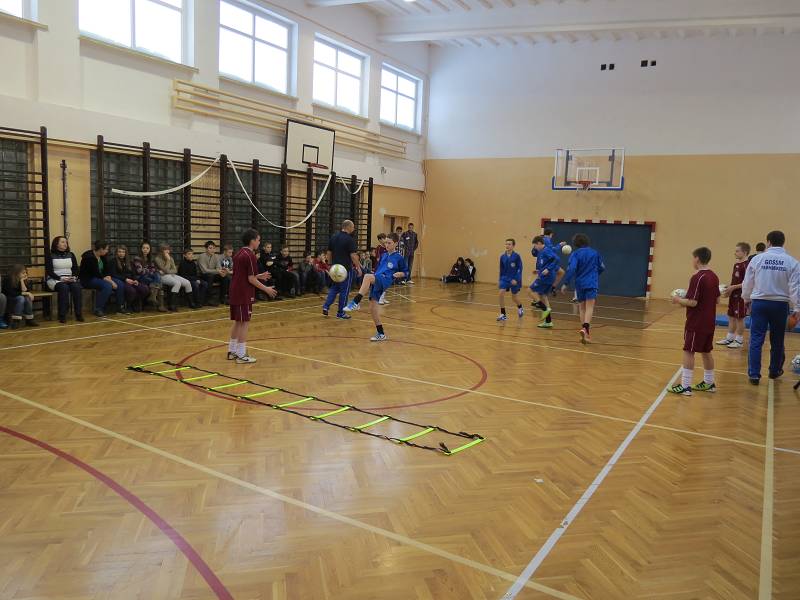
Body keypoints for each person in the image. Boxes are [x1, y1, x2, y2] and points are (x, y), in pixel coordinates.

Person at [742, 230, 800, 384]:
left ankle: (754, 374)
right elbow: (795, 287)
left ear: (768, 242)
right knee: (778, 339)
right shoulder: (792, 262)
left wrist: (746, 299)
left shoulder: (757, 259)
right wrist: (797, 309)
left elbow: (748, 282)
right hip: (780, 305)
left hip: (759, 303)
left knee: (756, 339)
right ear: (783, 242)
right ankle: (774, 371)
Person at [668, 247, 720, 395]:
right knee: (706, 351)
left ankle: (685, 386)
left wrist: (677, 299)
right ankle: (709, 383)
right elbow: (717, 299)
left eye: (693, 258)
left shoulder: (698, 277)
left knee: (689, 351)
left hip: (696, 322)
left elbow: (693, 302)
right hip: (710, 321)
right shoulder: (714, 276)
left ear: (697, 259)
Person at [343, 232, 408, 340]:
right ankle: (381, 334)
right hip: (378, 278)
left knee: (367, 277)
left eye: (389, 243)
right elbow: (379, 269)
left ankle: (355, 302)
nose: (387, 245)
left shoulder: (399, 258)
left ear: (396, 243)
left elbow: (406, 272)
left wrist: (400, 274)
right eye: (386, 243)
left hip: (386, 279)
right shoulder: (384, 255)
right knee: (373, 308)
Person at [227, 229, 277, 364]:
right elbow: (251, 279)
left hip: (235, 291)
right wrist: (266, 289)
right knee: (244, 322)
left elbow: (242, 274)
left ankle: (232, 351)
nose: (259, 242)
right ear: (252, 241)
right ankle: (241, 355)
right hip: (243, 293)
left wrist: (259, 276)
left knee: (238, 321)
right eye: (258, 240)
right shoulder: (250, 255)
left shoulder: (239, 253)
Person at [560, 233, 605, 343]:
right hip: (591, 282)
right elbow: (602, 267)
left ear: (576, 243)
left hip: (579, 283)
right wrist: (595, 274)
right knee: (590, 307)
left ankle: (585, 333)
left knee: (582, 308)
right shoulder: (595, 253)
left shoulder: (575, 254)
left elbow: (572, 269)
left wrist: (566, 283)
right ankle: (585, 329)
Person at [323, 220, 361, 319]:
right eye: (353, 227)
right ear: (348, 227)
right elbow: (353, 256)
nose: (354, 229)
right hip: (345, 270)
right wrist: (358, 268)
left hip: (335, 269)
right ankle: (341, 313)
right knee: (344, 291)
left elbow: (329, 253)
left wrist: (330, 265)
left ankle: (326, 306)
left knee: (334, 288)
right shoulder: (349, 239)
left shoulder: (334, 237)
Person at [717, 242, 751, 349]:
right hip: (734, 295)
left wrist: (733, 287)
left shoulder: (746, 265)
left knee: (740, 318)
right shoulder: (736, 264)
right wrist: (728, 289)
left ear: (744, 252)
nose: (735, 253)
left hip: (741, 296)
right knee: (731, 316)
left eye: (737, 251)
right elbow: (735, 281)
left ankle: (739, 340)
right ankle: (730, 338)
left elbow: (747, 283)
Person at [79, 240, 123, 317]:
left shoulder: (103, 256)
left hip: (101, 277)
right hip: (88, 279)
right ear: (101, 249)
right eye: (106, 249)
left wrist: (108, 276)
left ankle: (120, 306)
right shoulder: (88, 257)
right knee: (107, 286)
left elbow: (106, 269)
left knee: (120, 283)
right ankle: (98, 309)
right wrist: (110, 281)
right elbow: (95, 273)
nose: (107, 251)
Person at [45, 236, 83, 323]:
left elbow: (75, 269)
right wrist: (61, 278)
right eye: (62, 242)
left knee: (77, 287)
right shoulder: (50, 255)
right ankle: (62, 315)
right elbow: (49, 271)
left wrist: (74, 277)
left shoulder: (71, 254)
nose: (65, 244)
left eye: (66, 242)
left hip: (69, 278)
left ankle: (78, 314)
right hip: (55, 279)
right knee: (63, 287)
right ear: (56, 244)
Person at [529, 235, 560, 329]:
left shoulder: (546, 250)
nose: (535, 248)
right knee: (543, 296)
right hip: (546, 276)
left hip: (547, 277)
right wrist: (538, 271)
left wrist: (548, 269)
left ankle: (545, 309)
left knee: (529, 291)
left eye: (535, 245)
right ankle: (548, 321)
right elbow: (544, 264)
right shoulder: (541, 252)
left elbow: (556, 259)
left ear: (539, 243)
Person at [154, 244, 194, 311]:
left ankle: (191, 303)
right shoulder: (157, 259)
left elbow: (175, 270)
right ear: (161, 251)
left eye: (168, 249)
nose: (167, 251)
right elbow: (165, 269)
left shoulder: (171, 258)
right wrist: (168, 260)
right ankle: (172, 305)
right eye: (165, 250)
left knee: (187, 283)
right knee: (177, 283)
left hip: (171, 275)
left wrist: (168, 271)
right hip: (162, 277)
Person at [110, 245, 149, 313]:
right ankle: (129, 305)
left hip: (131, 280)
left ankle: (136, 302)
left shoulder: (129, 262)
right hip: (122, 280)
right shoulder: (113, 261)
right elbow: (114, 274)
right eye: (119, 252)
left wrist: (135, 280)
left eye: (123, 252)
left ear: (126, 253)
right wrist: (125, 279)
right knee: (131, 291)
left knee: (144, 289)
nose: (121, 253)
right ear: (116, 253)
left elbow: (133, 273)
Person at [497, 238, 524, 322]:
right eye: (506, 244)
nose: (507, 246)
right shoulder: (502, 256)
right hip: (505, 278)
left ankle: (520, 307)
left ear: (513, 246)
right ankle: (503, 314)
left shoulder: (517, 256)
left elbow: (520, 268)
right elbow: (501, 269)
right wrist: (500, 279)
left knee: (514, 298)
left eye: (509, 244)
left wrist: (516, 279)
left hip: (514, 279)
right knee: (500, 293)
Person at [135, 241, 166, 312]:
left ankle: (154, 298)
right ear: (141, 249)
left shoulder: (150, 258)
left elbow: (153, 268)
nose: (145, 249)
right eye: (143, 248)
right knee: (158, 280)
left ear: (149, 249)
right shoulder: (137, 258)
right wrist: (151, 271)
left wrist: (152, 271)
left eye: (147, 248)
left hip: (149, 277)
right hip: (141, 278)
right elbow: (140, 271)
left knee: (157, 275)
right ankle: (159, 304)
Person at [197, 241, 225, 306]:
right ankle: (208, 299)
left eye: (214, 248)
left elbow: (219, 267)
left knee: (225, 277)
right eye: (210, 248)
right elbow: (204, 270)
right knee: (210, 276)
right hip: (202, 275)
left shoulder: (216, 256)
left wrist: (221, 272)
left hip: (212, 274)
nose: (212, 250)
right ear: (206, 249)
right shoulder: (202, 256)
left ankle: (222, 298)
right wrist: (217, 271)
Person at [543, 228, 567, 294]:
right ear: (550, 234)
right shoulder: (546, 240)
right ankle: (549, 288)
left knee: (561, 272)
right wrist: (560, 245)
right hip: (548, 263)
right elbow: (553, 250)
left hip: (549, 262)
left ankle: (552, 287)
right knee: (547, 277)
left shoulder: (543, 239)